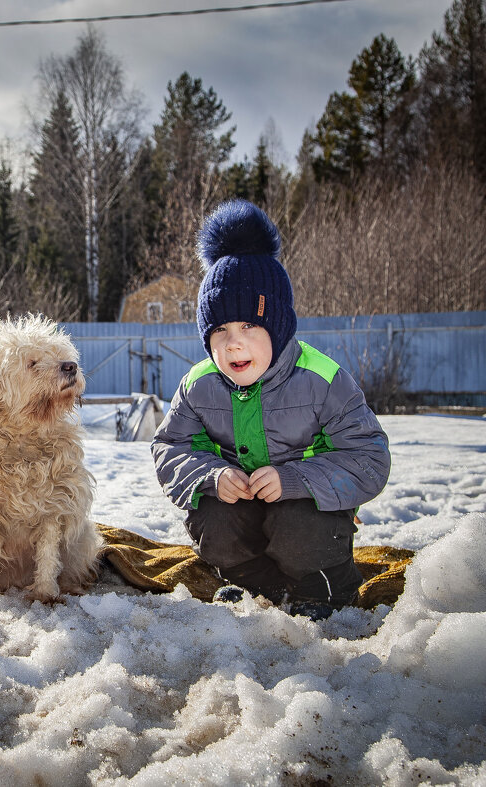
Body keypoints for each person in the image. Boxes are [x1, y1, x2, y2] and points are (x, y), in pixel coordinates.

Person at [151, 199, 390, 619]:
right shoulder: (198, 384)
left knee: (300, 529)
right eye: (219, 330)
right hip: (242, 510)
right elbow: (170, 447)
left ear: (277, 327)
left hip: (307, 510)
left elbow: (369, 458)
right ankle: (252, 585)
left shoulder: (322, 379)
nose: (233, 343)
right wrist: (212, 475)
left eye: (248, 326)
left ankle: (324, 590)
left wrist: (296, 479)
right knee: (216, 523)